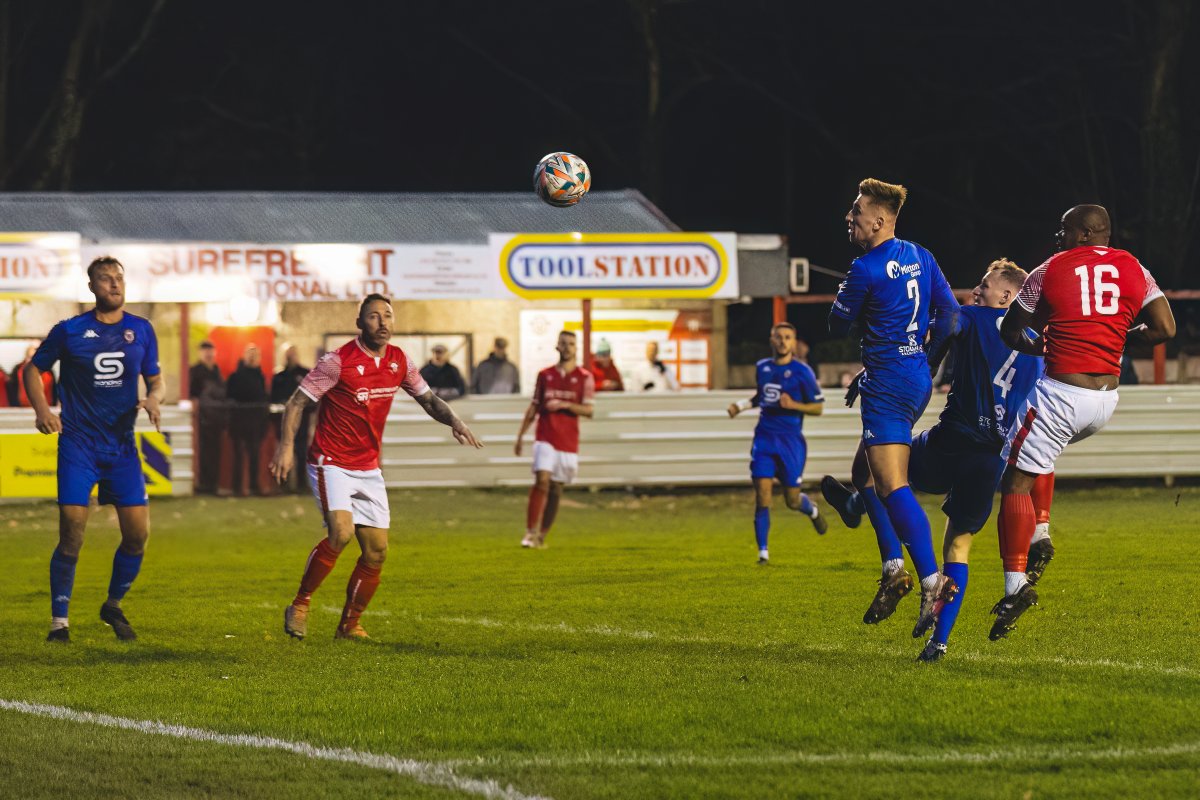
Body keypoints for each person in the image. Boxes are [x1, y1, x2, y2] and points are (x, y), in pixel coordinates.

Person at [822, 259, 1047, 661]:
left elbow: (938, 328)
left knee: (876, 470)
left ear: (1009, 297)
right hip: (992, 460)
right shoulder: (1039, 345)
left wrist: (884, 372)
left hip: (950, 444)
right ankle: (938, 644)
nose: (976, 291)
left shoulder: (975, 318)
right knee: (958, 546)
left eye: (985, 284)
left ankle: (879, 544)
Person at [991, 204, 1175, 640]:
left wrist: (1042, 346)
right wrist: (1117, 340)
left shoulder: (1049, 269)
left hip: (1061, 394)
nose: (1058, 236)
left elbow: (1010, 332)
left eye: (1065, 230)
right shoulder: (1134, 267)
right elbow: (1164, 328)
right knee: (1039, 451)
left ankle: (1016, 585)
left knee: (1013, 482)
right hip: (1104, 401)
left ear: (1085, 234)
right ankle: (1040, 532)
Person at [271, 294, 482, 641]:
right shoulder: (337, 362)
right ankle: (300, 604)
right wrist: (285, 448)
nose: (382, 322)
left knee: (377, 551)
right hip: (331, 461)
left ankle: (349, 625)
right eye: (373, 316)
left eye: (387, 315)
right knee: (341, 533)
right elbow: (296, 403)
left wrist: (455, 422)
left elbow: (428, 399)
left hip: (368, 466)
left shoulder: (399, 361)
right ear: (359, 323)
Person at [827, 178, 960, 638]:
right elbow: (952, 316)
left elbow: (836, 323)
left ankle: (930, 580)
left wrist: (853, 299)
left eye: (856, 211)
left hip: (886, 383)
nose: (850, 218)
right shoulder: (921, 255)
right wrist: (927, 359)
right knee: (864, 476)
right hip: (914, 378)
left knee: (890, 484)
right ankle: (891, 568)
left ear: (879, 220)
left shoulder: (864, 268)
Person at [24, 256, 164, 643]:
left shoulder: (141, 329)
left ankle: (113, 604)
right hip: (79, 445)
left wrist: (154, 398)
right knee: (73, 530)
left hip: (121, 449)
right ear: (91, 288)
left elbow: (156, 379)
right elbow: (33, 370)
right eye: (105, 279)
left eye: (119, 278)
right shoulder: (70, 332)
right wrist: (42, 410)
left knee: (137, 536)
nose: (115, 285)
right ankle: (59, 623)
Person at [727, 323, 826, 563]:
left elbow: (818, 407)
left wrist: (795, 406)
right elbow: (762, 396)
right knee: (762, 496)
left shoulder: (803, 372)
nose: (783, 341)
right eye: (779, 337)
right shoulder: (762, 367)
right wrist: (740, 406)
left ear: (793, 342)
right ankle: (763, 553)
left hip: (790, 443)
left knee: (792, 500)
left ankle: (810, 509)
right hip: (764, 439)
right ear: (772, 340)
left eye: (788, 337)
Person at [514, 330, 595, 548]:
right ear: (557, 347)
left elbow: (589, 410)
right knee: (542, 479)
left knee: (556, 488)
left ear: (576, 348)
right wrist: (521, 436)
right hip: (545, 436)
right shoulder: (545, 375)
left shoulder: (585, 377)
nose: (567, 347)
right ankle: (530, 532)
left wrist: (565, 405)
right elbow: (534, 406)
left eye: (571, 343)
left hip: (567, 440)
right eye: (563, 343)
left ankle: (542, 535)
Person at [226, 344, 269, 496]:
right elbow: (229, 398)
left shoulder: (260, 377)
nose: (252, 357)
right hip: (240, 421)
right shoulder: (235, 377)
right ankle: (238, 487)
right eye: (250, 354)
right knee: (239, 455)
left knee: (254, 455)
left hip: (255, 422)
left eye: (255, 354)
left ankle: (253, 486)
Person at [271, 344, 312, 492]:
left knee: (301, 452)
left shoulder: (306, 373)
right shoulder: (279, 376)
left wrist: (307, 409)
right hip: (283, 421)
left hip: (302, 419)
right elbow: (273, 398)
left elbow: (313, 397)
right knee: (284, 451)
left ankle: (301, 484)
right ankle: (284, 484)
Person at [189, 340, 226, 494]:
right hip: (202, 418)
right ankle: (203, 484)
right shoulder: (194, 371)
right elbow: (192, 395)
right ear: (200, 353)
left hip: (216, 417)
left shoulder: (216, 371)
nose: (209, 354)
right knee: (203, 452)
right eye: (206, 352)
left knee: (215, 452)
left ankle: (213, 484)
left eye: (211, 352)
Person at [15, 342, 56, 407]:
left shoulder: (48, 371)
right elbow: (12, 389)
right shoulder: (18, 369)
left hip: (47, 407)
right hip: (23, 408)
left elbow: (53, 391)